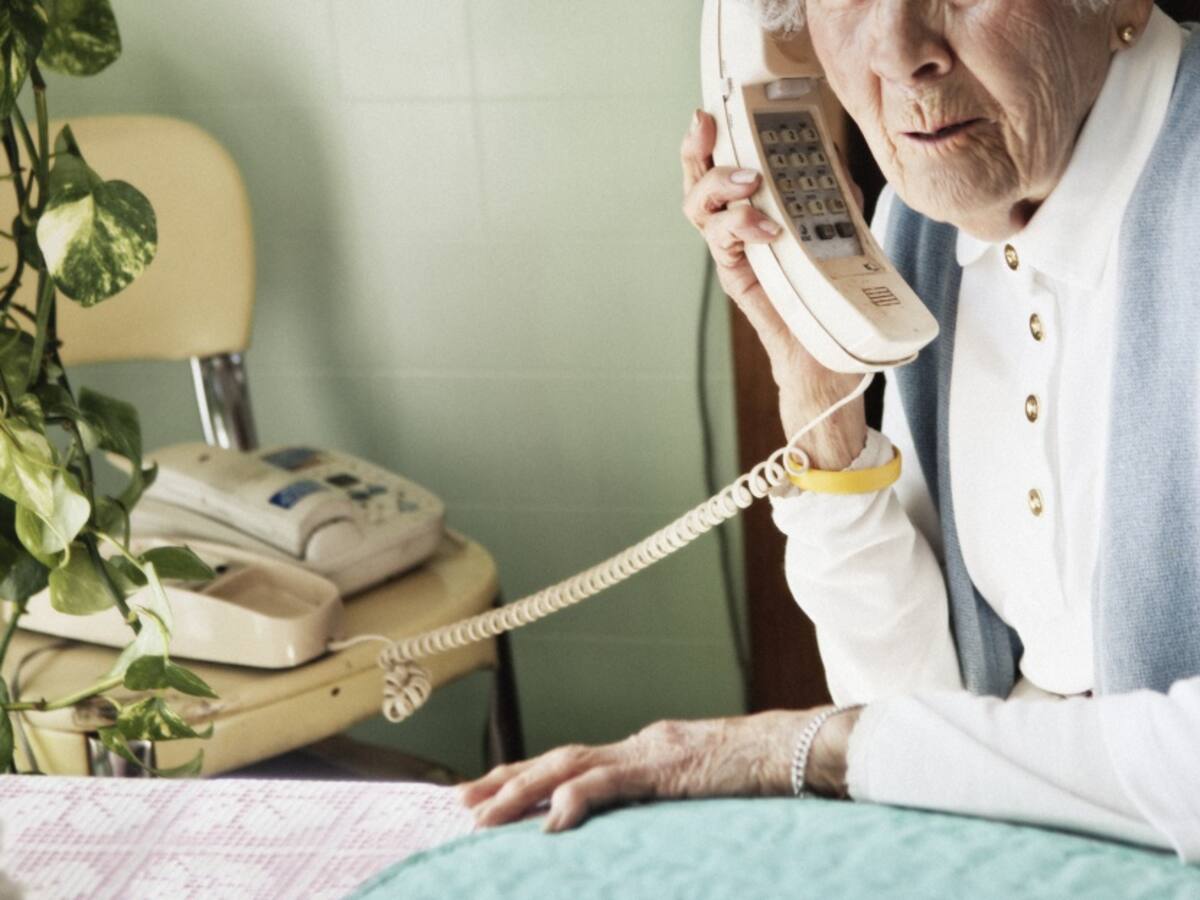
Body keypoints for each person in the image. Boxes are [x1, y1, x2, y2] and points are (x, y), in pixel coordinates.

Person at [459, 0, 1200, 860]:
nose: (896, 53)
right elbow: (912, 708)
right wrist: (821, 398)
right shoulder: (922, 229)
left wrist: (796, 748)